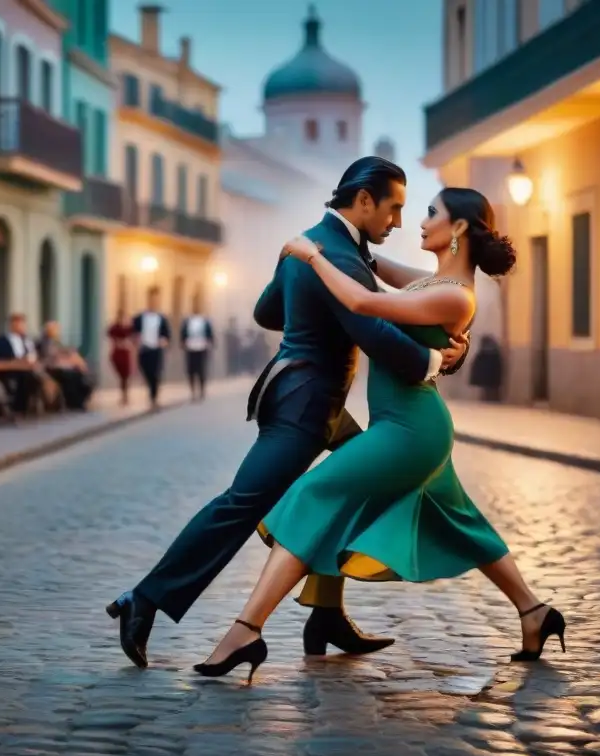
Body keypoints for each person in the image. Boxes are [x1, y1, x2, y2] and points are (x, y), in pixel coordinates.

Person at [106, 157, 468, 669]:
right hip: (304, 406)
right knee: (240, 504)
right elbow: (375, 334)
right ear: (363, 200)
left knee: (352, 490)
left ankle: (326, 612)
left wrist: (304, 299)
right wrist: (435, 360)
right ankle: (142, 600)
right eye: (393, 209)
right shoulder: (337, 255)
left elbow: (265, 312)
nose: (398, 222)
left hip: (312, 400)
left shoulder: (316, 242)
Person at [195, 188, 565, 683]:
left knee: (312, 493)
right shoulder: (432, 284)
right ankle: (534, 613)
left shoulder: (453, 294)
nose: (418, 219)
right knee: (459, 520)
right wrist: (341, 235)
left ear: (458, 229)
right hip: (408, 426)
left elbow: (363, 301)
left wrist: (310, 255)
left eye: (432, 212)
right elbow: (374, 270)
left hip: (409, 430)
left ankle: (246, 629)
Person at [38, 321, 94, 411]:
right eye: (54, 329)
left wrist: (73, 359)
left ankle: (79, 401)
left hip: (62, 367)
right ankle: (74, 403)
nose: (56, 331)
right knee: (70, 375)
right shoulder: (44, 342)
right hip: (50, 368)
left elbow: (66, 352)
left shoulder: (57, 342)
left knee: (81, 376)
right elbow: (50, 358)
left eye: (57, 329)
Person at [132, 287, 171, 410]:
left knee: (155, 373)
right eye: (152, 299)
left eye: (156, 300)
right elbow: (133, 331)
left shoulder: (162, 318)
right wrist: (135, 339)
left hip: (156, 349)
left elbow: (167, 334)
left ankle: (153, 397)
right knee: (146, 371)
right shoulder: (139, 317)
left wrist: (164, 340)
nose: (154, 302)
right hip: (144, 348)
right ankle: (150, 389)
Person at [180, 295, 215, 402]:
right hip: (190, 348)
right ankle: (193, 391)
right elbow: (183, 334)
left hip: (201, 347)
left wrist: (209, 343)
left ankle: (201, 390)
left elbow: (210, 334)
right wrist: (183, 342)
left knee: (201, 370)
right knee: (191, 370)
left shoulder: (205, 320)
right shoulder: (187, 320)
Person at [107, 309, 135, 406]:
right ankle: (124, 394)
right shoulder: (114, 328)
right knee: (122, 375)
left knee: (126, 375)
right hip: (118, 354)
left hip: (126, 354)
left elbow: (132, 340)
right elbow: (114, 340)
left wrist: (128, 344)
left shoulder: (129, 328)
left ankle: (125, 395)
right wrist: (124, 343)